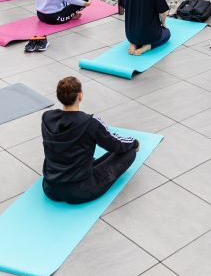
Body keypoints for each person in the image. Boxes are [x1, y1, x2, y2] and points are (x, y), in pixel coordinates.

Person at [41, 76, 139, 205]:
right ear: (80, 96)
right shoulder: (90, 123)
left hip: (50, 188)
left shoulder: (47, 117)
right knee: (129, 152)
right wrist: (133, 142)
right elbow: (116, 144)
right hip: (80, 191)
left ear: (59, 96)